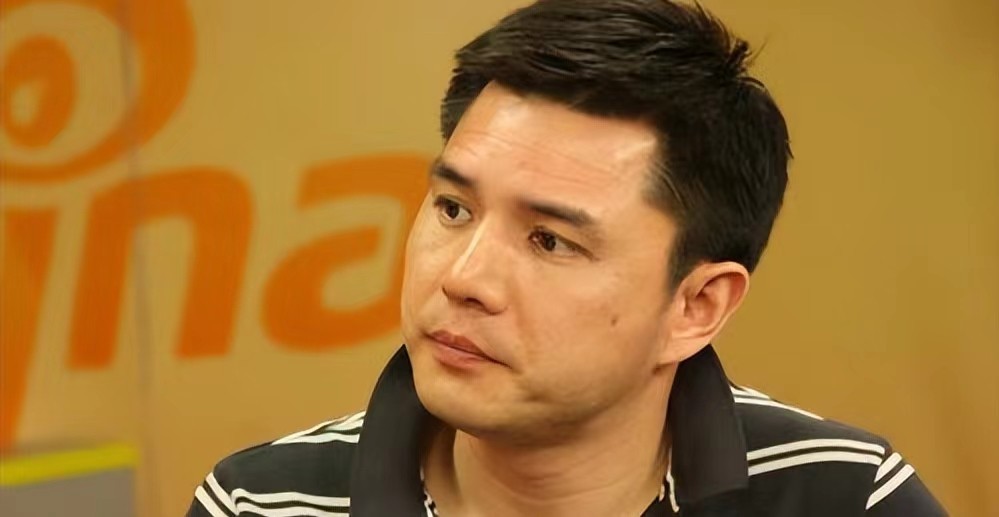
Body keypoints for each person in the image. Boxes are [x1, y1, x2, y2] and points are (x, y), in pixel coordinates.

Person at [187, 0, 946, 515]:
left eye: (549, 240)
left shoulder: (844, 495)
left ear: (696, 306)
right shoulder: (260, 505)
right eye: (453, 209)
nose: (463, 278)